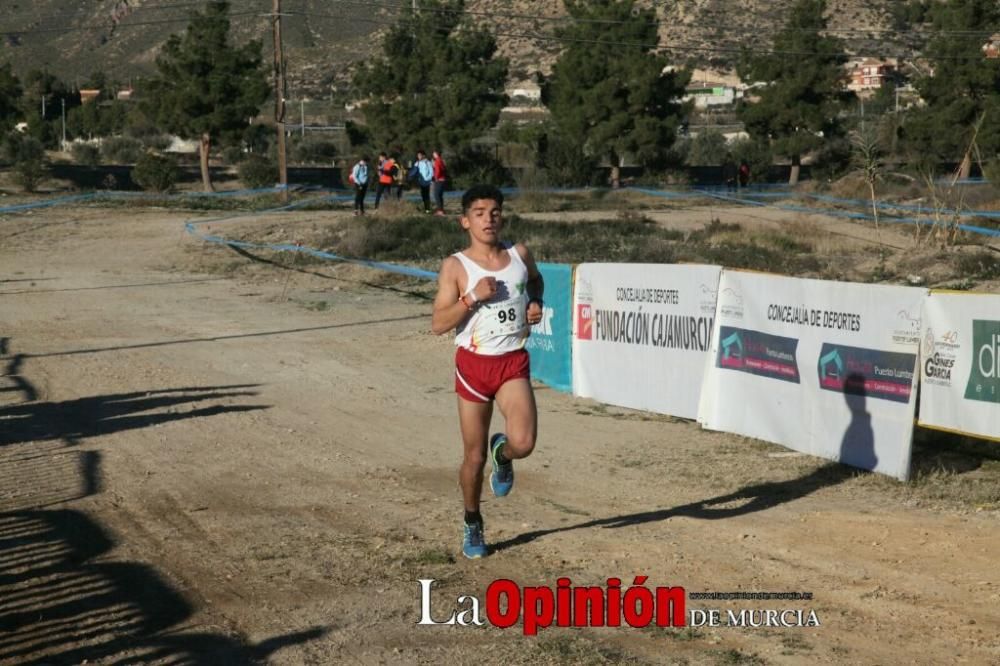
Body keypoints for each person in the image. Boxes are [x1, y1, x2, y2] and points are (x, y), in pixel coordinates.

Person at [430, 184, 544, 559]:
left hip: (512, 361)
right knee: (473, 457)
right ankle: (472, 519)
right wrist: (472, 296)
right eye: (479, 213)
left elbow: (536, 280)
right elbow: (438, 324)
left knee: (524, 442)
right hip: (474, 367)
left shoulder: (518, 254)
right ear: (465, 221)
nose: (488, 219)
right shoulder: (456, 266)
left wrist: (535, 302)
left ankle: (505, 454)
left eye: (494, 211)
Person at [431, 150, 448, 216]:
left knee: (436, 195)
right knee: (440, 195)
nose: (433, 155)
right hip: (443, 179)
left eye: (434, 154)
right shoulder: (441, 160)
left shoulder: (437, 161)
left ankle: (440, 210)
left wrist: (436, 178)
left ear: (436, 154)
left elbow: (437, 170)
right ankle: (441, 210)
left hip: (439, 180)